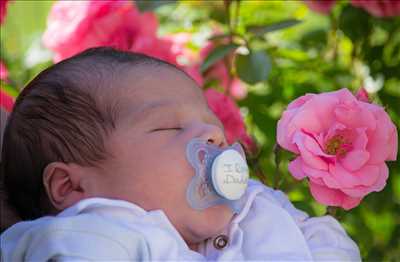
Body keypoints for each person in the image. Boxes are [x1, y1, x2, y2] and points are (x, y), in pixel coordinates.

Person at [0, 47, 361, 261]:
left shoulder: (255, 204)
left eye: (211, 122)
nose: (214, 134)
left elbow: (324, 242)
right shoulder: (98, 233)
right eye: (169, 128)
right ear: (73, 187)